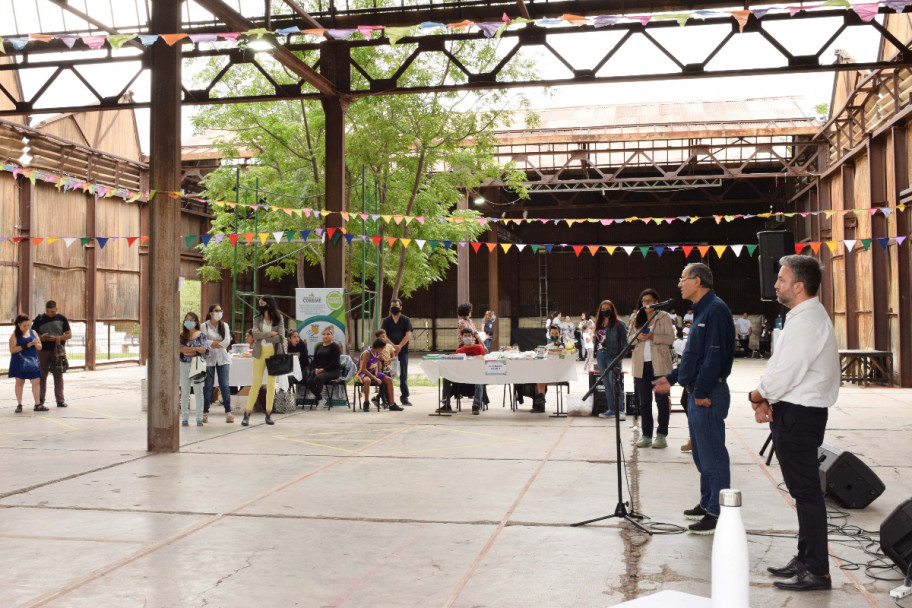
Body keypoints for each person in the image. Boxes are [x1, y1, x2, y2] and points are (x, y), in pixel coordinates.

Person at [748, 255, 839, 592]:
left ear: (799, 286)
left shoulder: (807, 321)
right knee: (803, 495)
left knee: (807, 495)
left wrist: (757, 396)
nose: (776, 285)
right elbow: (779, 365)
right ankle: (805, 560)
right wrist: (767, 396)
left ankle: (818, 571)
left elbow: (786, 373)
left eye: (782, 280)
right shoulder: (801, 317)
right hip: (792, 410)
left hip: (800, 415)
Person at [653, 263, 735, 535]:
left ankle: (717, 511)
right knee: (701, 454)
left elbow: (714, 357)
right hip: (696, 390)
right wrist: (673, 378)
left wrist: (699, 392)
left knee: (713, 455)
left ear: (697, 281)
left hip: (708, 393)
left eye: (682, 278)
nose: (679, 284)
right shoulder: (701, 310)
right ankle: (706, 501)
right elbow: (694, 357)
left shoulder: (715, 310)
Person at [629, 289, 675, 450]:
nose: (646, 303)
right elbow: (629, 339)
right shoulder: (637, 318)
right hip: (641, 366)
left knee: (662, 402)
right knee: (644, 403)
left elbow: (670, 338)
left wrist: (652, 337)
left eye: (649, 300)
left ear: (657, 301)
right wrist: (638, 338)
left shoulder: (664, 316)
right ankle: (646, 435)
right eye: (643, 301)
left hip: (660, 365)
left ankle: (662, 435)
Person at [242, 295, 285, 426]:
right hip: (259, 353)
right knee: (256, 384)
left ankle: (268, 414)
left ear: (269, 304)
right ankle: (247, 414)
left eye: (262, 303)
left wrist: (263, 336)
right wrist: (271, 334)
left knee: (271, 385)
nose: (260, 305)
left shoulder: (279, 318)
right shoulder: (257, 318)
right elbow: (254, 335)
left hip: (273, 353)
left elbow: (281, 337)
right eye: (259, 303)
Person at [33, 300, 72, 408]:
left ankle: (60, 400)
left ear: (57, 309)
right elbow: (33, 334)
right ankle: (40, 400)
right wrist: (42, 337)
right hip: (43, 350)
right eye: (48, 311)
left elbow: (69, 335)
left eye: (53, 311)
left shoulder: (62, 318)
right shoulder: (39, 318)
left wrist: (57, 338)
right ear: (45, 310)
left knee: (58, 374)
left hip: (58, 350)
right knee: (42, 375)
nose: (50, 313)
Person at [593, 299, 628, 421]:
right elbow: (597, 341)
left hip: (613, 356)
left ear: (612, 310)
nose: (605, 311)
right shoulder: (599, 323)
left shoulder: (619, 324)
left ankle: (620, 410)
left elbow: (625, 343)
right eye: (603, 309)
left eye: (607, 309)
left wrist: (620, 357)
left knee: (615, 383)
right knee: (607, 384)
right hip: (601, 356)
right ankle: (611, 410)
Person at [202, 304, 234, 423]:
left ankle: (228, 412)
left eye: (221, 310)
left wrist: (213, 343)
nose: (219, 312)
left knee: (224, 385)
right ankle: (205, 412)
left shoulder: (224, 325)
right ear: (211, 313)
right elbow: (204, 341)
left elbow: (226, 342)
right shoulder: (204, 326)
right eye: (216, 310)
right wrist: (217, 343)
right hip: (209, 359)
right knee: (208, 386)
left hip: (223, 358)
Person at [9, 314, 45, 413]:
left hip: (32, 361)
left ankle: (38, 404)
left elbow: (40, 347)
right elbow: (12, 349)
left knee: (36, 381)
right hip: (19, 361)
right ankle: (19, 404)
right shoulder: (14, 335)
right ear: (19, 324)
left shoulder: (33, 332)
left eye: (28, 325)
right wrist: (25, 346)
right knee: (20, 382)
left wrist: (36, 344)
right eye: (24, 325)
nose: (27, 327)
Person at [380, 299, 413, 406]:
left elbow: (408, 335)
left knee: (403, 374)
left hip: (403, 351)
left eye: (396, 306)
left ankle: (404, 398)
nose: (394, 307)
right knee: (387, 374)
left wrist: (399, 346)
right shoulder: (386, 321)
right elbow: (384, 336)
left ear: (401, 307)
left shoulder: (406, 320)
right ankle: (386, 398)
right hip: (388, 352)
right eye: (392, 306)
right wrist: (393, 347)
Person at [179, 312, 209, 427]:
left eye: (191, 320)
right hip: (184, 364)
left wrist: (190, 350)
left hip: (198, 364)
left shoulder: (201, 335)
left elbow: (204, 349)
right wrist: (195, 349)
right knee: (185, 392)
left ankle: (199, 418)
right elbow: (180, 349)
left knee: (198, 392)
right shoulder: (182, 335)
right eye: (186, 319)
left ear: (196, 322)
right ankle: (185, 418)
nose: (188, 322)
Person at [306, 326, 347, 408]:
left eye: (328, 334)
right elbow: (315, 360)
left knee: (318, 378)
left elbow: (335, 363)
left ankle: (316, 395)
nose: (326, 336)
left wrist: (323, 370)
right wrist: (315, 369)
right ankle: (320, 398)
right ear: (321, 336)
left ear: (332, 335)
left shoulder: (335, 347)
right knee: (309, 380)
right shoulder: (319, 346)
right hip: (319, 370)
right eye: (324, 334)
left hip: (332, 371)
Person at [358, 338, 399, 412]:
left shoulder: (377, 352)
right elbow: (363, 369)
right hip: (363, 373)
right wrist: (375, 378)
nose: (383, 350)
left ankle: (392, 404)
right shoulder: (367, 353)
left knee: (389, 379)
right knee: (367, 381)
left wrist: (376, 374)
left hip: (372, 372)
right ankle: (366, 402)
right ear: (379, 347)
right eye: (383, 348)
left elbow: (375, 365)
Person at [454, 327, 488, 415]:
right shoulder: (459, 351)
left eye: (469, 336)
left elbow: (485, 361)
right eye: (465, 336)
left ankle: (476, 406)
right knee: (447, 380)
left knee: (479, 383)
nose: (467, 337)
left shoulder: (479, 348)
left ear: (473, 337)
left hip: (477, 374)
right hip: (464, 375)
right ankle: (446, 404)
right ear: (461, 338)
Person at [286, 329, 310, 401]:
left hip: (302, 372)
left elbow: (304, 362)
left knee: (288, 378)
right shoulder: (288, 347)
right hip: (291, 371)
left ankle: (286, 399)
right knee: (284, 377)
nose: (297, 338)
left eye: (298, 336)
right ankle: (284, 397)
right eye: (294, 337)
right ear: (289, 339)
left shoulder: (302, 346)